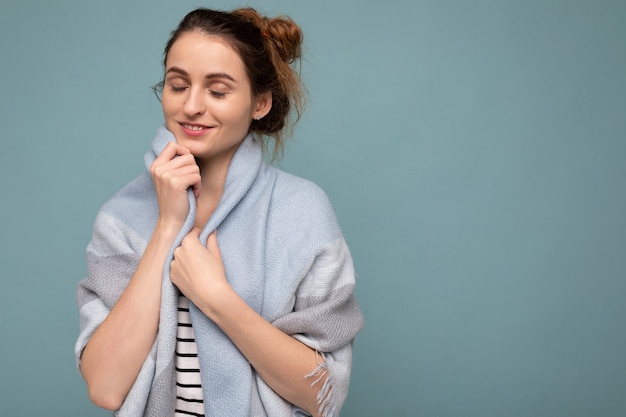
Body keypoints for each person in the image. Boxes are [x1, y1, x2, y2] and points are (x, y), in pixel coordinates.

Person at [74, 7, 363, 417]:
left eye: (218, 90)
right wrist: (166, 228)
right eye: (178, 85)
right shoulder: (122, 217)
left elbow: (324, 394)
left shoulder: (303, 213)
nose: (192, 106)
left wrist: (218, 299)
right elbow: (105, 387)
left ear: (260, 103)